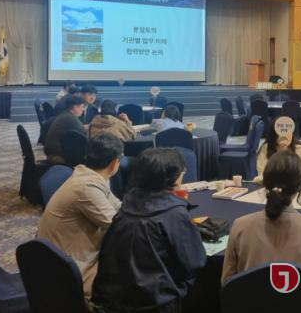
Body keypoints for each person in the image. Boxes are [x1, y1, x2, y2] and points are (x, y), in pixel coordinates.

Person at [92, 148, 206, 312]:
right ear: (174, 177)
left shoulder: (127, 205)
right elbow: (196, 260)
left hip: (116, 299)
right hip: (156, 302)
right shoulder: (174, 213)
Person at [222, 150, 301, 283]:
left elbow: (227, 283)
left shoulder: (240, 227)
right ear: (300, 187)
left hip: (249, 296)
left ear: (265, 184)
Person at [37, 134, 123, 297]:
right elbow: (118, 226)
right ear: (114, 163)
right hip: (69, 272)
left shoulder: (91, 176)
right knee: (135, 270)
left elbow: (117, 206)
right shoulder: (86, 187)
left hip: (62, 257)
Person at [255, 116, 301, 183]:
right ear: (273, 134)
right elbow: (261, 174)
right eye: (280, 132)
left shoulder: (299, 149)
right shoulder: (266, 148)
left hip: (293, 186)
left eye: (287, 131)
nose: (284, 136)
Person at [44, 94, 88, 163]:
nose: (83, 110)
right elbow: (84, 135)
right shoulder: (70, 119)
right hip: (57, 156)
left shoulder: (65, 115)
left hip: (52, 152)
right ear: (75, 107)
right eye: (82, 106)